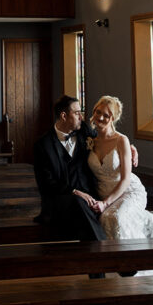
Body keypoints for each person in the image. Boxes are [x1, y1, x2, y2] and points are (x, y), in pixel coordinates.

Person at [84, 95, 153, 240]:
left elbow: (125, 179)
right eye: (98, 112)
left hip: (128, 191)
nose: (101, 118)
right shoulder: (89, 139)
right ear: (94, 111)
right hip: (104, 192)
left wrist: (105, 203)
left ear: (113, 118)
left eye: (106, 115)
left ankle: (130, 257)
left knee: (115, 217)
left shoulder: (121, 140)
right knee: (105, 218)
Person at [33, 95, 107, 242]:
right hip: (60, 201)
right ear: (64, 116)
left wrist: (129, 147)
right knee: (78, 203)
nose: (81, 116)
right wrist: (74, 192)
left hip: (90, 197)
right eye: (77, 113)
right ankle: (103, 248)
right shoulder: (42, 145)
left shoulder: (84, 131)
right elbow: (46, 183)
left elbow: (108, 140)